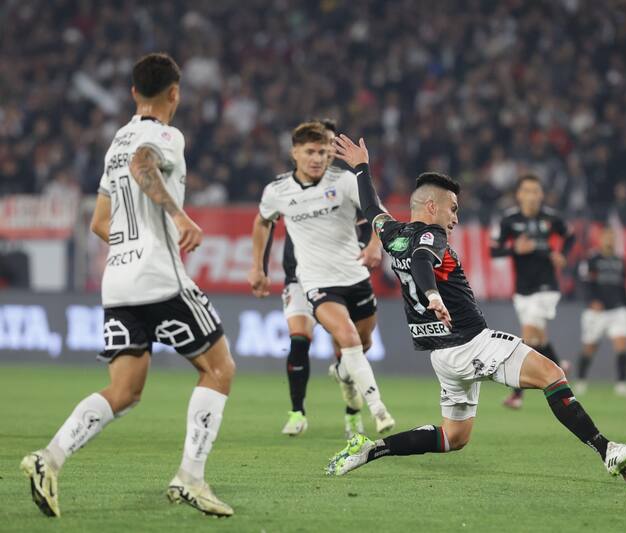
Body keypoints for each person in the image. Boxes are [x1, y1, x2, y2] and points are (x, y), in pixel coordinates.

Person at [325, 134, 626, 479]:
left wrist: (361, 169)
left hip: (441, 355)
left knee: (454, 437)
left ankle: (370, 449)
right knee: (553, 376)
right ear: (432, 207)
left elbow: (372, 209)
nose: (456, 217)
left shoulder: (393, 233)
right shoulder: (433, 236)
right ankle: (608, 450)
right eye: (453, 208)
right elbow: (421, 260)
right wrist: (432, 295)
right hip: (470, 342)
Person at [20, 53, 235, 517]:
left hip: (116, 281)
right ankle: (190, 478)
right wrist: (178, 219)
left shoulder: (115, 141)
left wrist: (130, 245)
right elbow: (143, 165)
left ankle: (48, 458)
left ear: (134, 92)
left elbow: (100, 221)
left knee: (124, 390)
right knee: (219, 369)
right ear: (174, 93)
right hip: (159, 277)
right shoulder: (164, 136)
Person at [248, 122, 395, 436]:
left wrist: (373, 245)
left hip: (353, 274)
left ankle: (347, 389)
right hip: (307, 280)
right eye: (311, 151)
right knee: (305, 339)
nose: (317, 158)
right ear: (295, 153)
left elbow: (376, 211)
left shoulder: (343, 182)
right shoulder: (278, 191)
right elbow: (262, 222)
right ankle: (305, 412)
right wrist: (257, 267)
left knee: (358, 345)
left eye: (323, 152)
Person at [489, 174, 575, 409]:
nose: (532, 196)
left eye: (536, 191)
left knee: (527, 338)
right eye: (527, 191)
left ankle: (517, 395)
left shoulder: (551, 217)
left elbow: (570, 235)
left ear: (541, 195)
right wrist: (514, 249)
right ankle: (558, 368)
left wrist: (563, 255)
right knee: (539, 339)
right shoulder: (509, 220)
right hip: (523, 289)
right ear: (519, 195)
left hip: (547, 286)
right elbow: (493, 251)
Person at [576, 227, 626, 397]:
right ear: (600, 240)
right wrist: (591, 301)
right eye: (606, 237)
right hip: (597, 312)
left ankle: (622, 384)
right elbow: (584, 283)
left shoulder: (620, 260)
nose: (609, 241)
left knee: (622, 346)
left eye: (612, 237)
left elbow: (623, 286)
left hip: (618, 309)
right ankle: (581, 381)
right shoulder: (592, 259)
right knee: (589, 347)